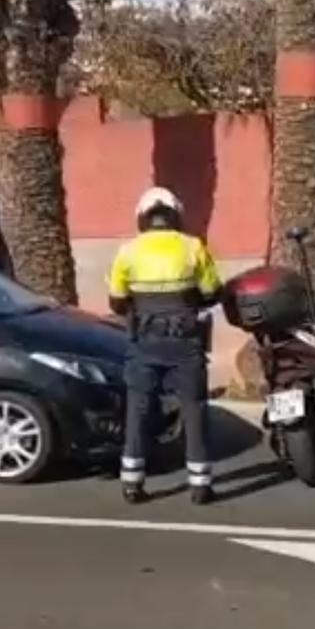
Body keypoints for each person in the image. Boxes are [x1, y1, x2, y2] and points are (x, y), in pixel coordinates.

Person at [108, 187, 222, 506]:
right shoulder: (193, 247)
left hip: (144, 342)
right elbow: (212, 291)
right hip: (185, 342)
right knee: (194, 409)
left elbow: (116, 301)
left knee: (139, 411)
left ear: (142, 219)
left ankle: (132, 483)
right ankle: (200, 485)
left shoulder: (128, 252)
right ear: (177, 216)